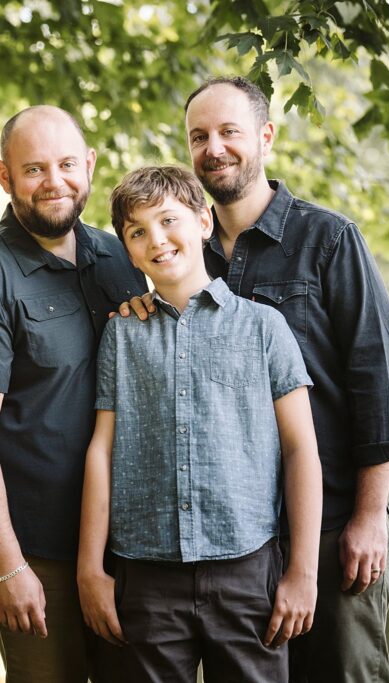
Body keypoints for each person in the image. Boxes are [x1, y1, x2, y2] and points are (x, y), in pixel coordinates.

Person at [119, 76, 389, 682]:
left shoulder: (327, 240)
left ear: (266, 136)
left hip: (329, 526)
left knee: (343, 670)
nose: (214, 148)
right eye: (199, 137)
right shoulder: (181, 252)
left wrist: (368, 517)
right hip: (232, 541)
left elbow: (381, 387)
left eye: (229, 132)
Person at [78, 165, 322, 682]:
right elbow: (102, 450)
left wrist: (303, 569)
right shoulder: (122, 334)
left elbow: (301, 450)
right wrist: (89, 567)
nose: (157, 240)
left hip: (246, 569)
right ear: (126, 248)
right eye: (137, 232)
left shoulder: (264, 328)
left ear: (204, 222)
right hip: (144, 572)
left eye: (169, 221)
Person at [0, 105, 147, 682]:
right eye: (34, 169)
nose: (54, 182)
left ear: (90, 165)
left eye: (67, 164)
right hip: (38, 550)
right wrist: (6, 565)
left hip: (131, 543)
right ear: (4, 177)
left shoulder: (123, 255)